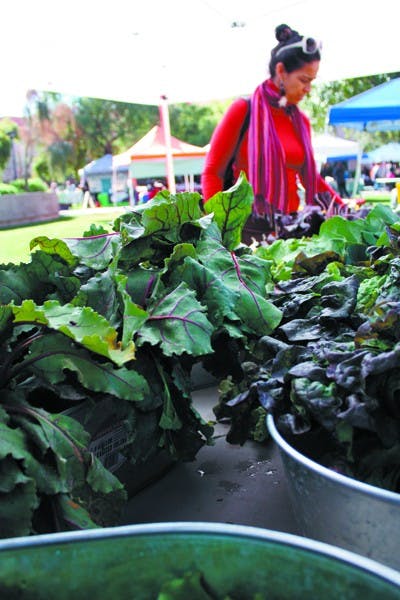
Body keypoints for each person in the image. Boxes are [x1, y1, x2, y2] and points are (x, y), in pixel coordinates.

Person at [201, 24, 345, 243]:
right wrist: (218, 227)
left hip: (291, 230)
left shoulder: (301, 122)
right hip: (245, 233)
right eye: (304, 80)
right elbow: (213, 172)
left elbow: (312, 181)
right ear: (280, 71)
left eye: (312, 81)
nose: (308, 89)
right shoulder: (243, 110)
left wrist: (347, 212)